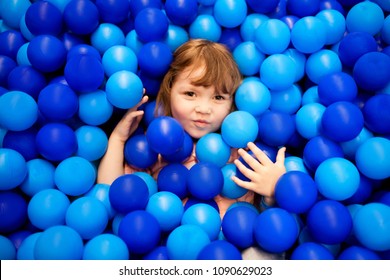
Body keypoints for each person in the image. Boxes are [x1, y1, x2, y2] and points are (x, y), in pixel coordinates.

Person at [97, 39, 286, 218]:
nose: (203, 109)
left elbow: (264, 222)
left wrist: (273, 192)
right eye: (190, 94)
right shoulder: (155, 148)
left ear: (233, 102)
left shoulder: (241, 154)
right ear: (170, 91)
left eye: (218, 97)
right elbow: (109, 194)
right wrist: (118, 139)